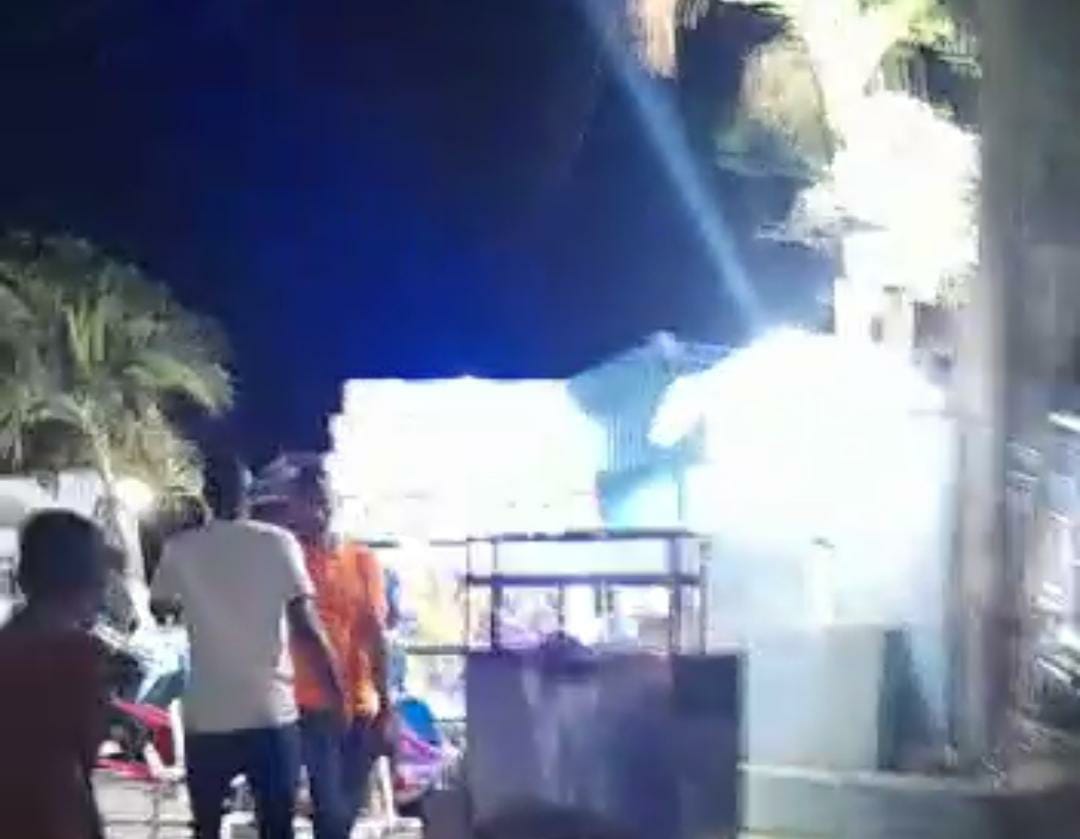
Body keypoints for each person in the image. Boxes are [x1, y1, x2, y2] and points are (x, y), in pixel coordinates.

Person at [151, 455, 343, 839]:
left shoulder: (180, 548)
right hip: (270, 711)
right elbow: (307, 626)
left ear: (206, 496)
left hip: (208, 714)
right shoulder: (279, 543)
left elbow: (160, 608)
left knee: (207, 828)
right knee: (277, 828)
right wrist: (336, 690)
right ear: (249, 494)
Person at [282, 464, 390, 839]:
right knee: (328, 808)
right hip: (312, 704)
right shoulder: (290, 559)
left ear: (333, 504)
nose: (315, 512)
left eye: (321, 501)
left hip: (361, 704)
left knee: (345, 811)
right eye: (305, 503)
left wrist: (386, 704)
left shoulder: (362, 560)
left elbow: (375, 633)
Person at [0, 510, 110, 839]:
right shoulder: (83, 654)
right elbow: (86, 747)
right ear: (85, 580)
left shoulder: (7, 643)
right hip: (59, 812)